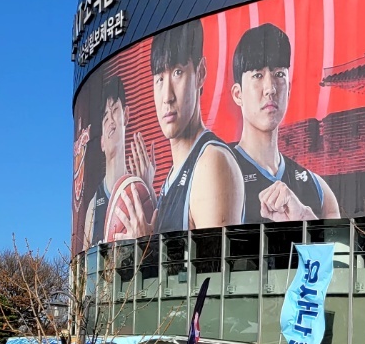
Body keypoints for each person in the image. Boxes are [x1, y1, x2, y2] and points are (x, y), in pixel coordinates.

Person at [131, 19, 244, 231]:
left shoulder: (212, 163)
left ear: (200, 73)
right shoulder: (173, 176)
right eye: (159, 78)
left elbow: (215, 254)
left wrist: (144, 247)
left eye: (177, 72)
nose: (167, 97)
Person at [228, 24, 339, 222]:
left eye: (279, 74)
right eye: (258, 75)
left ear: (288, 89)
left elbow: (340, 243)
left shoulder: (317, 189)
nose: (270, 88)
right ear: (238, 94)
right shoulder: (219, 172)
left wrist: (304, 217)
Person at [81, 74, 156, 246]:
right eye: (106, 118)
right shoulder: (93, 206)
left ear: (126, 115)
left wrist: (149, 191)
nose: (111, 122)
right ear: (101, 142)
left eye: (115, 110)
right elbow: (86, 259)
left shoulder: (142, 190)